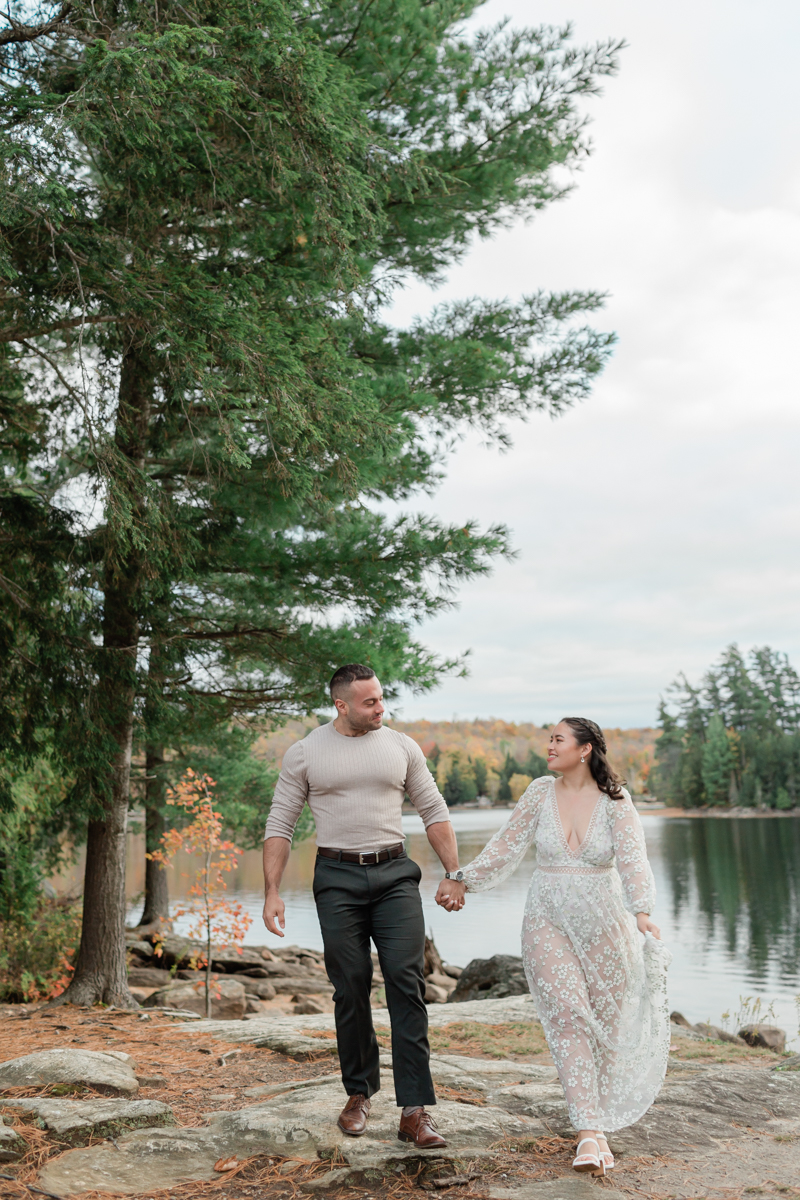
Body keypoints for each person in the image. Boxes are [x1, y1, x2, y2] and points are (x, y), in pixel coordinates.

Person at [437, 717, 671, 1176]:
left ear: (584, 749)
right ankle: (587, 1132)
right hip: (547, 920)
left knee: (605, 1023)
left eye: (558, 739)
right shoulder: (540, 792)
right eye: (549, 739)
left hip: (605, 924)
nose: (549, 746)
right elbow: (506, 846)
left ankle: (598, 1125)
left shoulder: (616, 802)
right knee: (567, 1015)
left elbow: (633, 859)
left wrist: (642, 910)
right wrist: (463, 879)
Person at [262, 664, 465, 1149]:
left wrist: (454, 873)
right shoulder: (307, 753)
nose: (380, 708)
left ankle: (415, 1111)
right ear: (341, 705)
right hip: (336, 879)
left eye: (381, 698)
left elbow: (434, 810)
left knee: (406, 983)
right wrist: (271, 891)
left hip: (395, 876)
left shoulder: (401, 747)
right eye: (370, 702)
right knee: (349, 987)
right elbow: (280, 824)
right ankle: (359, 1093)